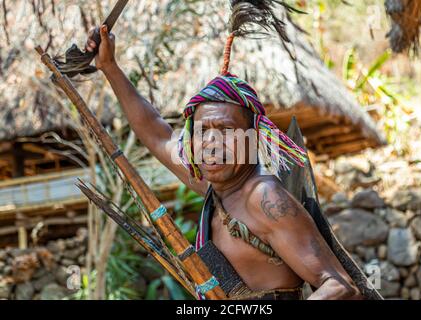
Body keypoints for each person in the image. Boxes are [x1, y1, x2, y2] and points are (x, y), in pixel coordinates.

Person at [85, 24, 362, 300]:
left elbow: (338, 286)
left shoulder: (264, 198)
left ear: (253, 137)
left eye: (227, 131)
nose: (212, 143)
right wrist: (110, 67)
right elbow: (158, 134)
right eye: (203, 131)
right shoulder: (215, 188)